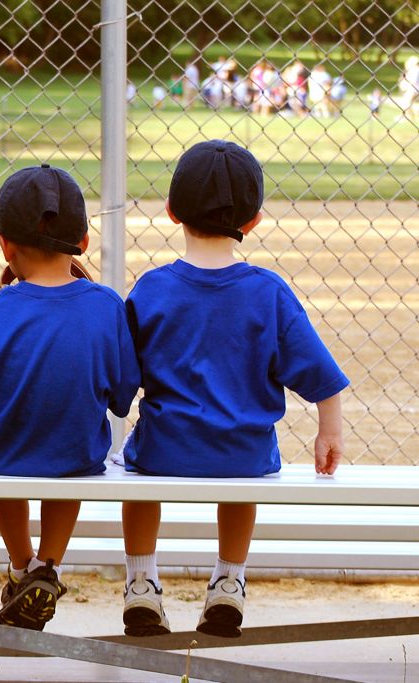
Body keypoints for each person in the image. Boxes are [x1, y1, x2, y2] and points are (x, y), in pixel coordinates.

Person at [120, 140, 349, 639]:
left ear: (171, 211)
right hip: (245, 454)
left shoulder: (152, 288)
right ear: (254, 221)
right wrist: (329, 428)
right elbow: (318, 372)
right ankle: (228, 582)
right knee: (244, 470)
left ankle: (140, 583)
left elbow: (121, 379)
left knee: (132, 470)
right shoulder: (268, 292)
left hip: (165, 450)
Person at [0, 165, 140, 634]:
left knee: (1, 460)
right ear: (83, 242)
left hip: (0, 457)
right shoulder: (107, 306)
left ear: (5, 245)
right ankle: (48, 566)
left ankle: (23, 566)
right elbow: (123, 397)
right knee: (73, 456)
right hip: (74, 455)